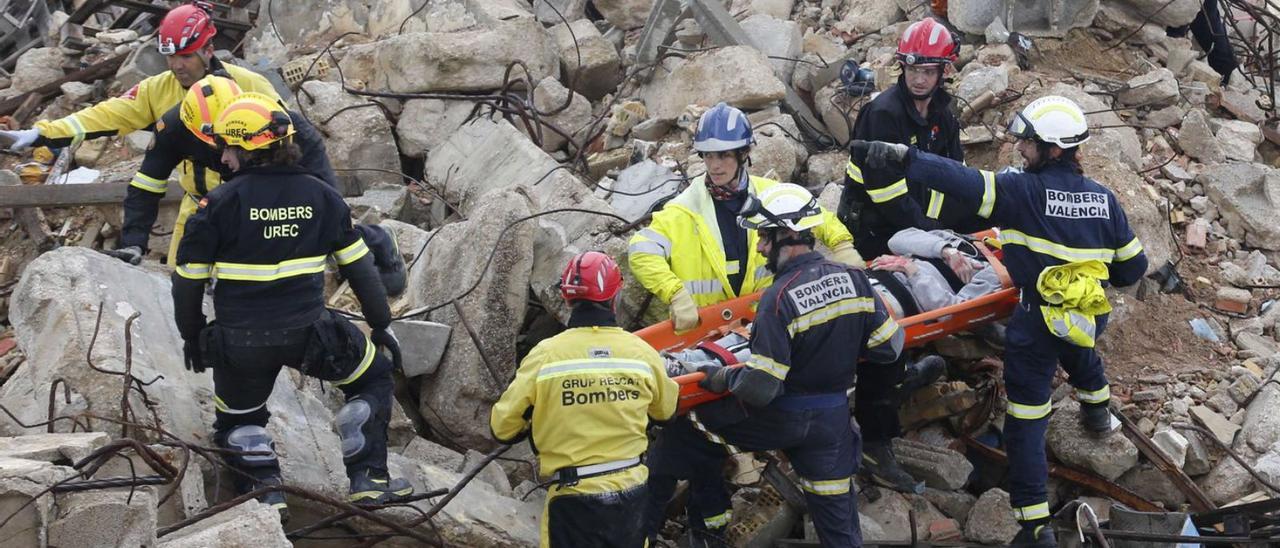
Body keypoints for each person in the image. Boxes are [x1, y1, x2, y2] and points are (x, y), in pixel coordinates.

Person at [852, 94, 1148, 547]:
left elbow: (965, 182)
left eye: (1027, 143)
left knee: (1026, 422)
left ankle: (1034, 526)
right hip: (1087, 316)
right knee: (1081, 352)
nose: (1021, 150)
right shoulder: (1103, 201)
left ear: (1051, 148)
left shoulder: (1022, 193)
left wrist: (905, 158)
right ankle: (1096, 412)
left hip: (1037, 323)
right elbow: (1132, 268)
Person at [171, 95, 413, 519]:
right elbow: (361, 271)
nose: (223, 158)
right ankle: (369, 481)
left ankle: (265, 494)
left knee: (236, 422)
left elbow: (187, 281)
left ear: (248, 149)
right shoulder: (322, 196)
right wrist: (381, 325)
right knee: (373, 378)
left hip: (240, 342)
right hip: (313, 333)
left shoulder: (219, 205)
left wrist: (193, 334)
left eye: (228, 147)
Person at [630, 102, 861, 544]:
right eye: (709, 157)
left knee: (700, 437)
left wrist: (844, 247)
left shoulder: (772, 198)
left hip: (763, 328)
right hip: (708, 337)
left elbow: (818, 218)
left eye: (725, 156)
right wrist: (674, 292)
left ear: (743, 155)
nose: (715, 165)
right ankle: (706, 526)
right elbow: (642, 250)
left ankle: (705, 525)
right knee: (696, 444)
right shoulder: (683, 210)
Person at [667, 182, 904, 546]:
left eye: (765, 237)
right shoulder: (856, 279)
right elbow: (889, 347)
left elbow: (762, 387)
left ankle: (703, 531)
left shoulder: (778, 299)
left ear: (790, 234)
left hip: (783, 417)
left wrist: (719, 377)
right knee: (839, 530)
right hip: (832, 425)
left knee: (689, 430)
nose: (760, 247)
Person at [0, 2, 280, 264]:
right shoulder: (156, 89)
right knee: (180, 292)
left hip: (249, 209)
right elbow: (105, 115)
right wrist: (42, 133)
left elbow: (292, 143)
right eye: (170, 56)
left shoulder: (249, 85)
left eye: (185, 55)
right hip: (196, 209)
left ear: (207, 49)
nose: (176, 65)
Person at [834, 18, 987, 492]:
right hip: (876, 232)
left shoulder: (943, 112)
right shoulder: (883, 114)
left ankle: (906, 370)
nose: (919, 77)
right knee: (886, 325)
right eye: (913, 68)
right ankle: (878, 441)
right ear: (902, 66)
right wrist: (936, 240)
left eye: (929, 70)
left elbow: (954, 174)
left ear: (944, 72)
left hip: (918, 223)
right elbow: (890, 198)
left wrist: (974, 225)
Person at [114, 75, 405, 294]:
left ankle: (377, 240)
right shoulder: (173, 129)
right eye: (213, 140)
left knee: (321, 219)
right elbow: (146, 186)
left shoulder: (267, 119)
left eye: (225, 137)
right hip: (240, 170)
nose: (220, 146)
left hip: (280, 154)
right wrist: (134, 243)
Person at [490, 251, 679, 547]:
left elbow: (503, 428)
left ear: (567, 299)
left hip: (573, 498)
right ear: (615, 297)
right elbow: (666, 411)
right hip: (631, 494)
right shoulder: (641, 353)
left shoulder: (546, 355)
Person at [867, 227, 1002, 316]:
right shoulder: (961, 241)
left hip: (896, 297)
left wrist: (913, 272)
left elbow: (951, 312)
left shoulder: (994, 274)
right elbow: (896, 240)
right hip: (871, 276)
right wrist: (945, 250)